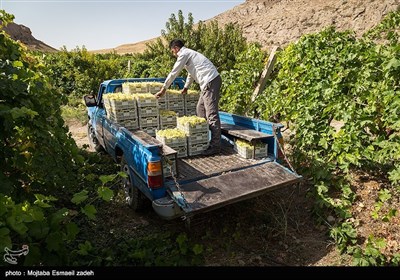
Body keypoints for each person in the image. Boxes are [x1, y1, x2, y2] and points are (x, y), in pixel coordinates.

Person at [155, 39, 222, 156]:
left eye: (172, 51)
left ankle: (215, 146)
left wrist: (163, 89)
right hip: (208, 82)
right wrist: (186, 87)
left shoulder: (184, 54)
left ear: (176, 48)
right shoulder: (190, 55)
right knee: (200, 108)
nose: (173, 54)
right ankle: (202, 136)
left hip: (210, 81)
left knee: (211, 113)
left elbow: (174, 72)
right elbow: (191, 73)